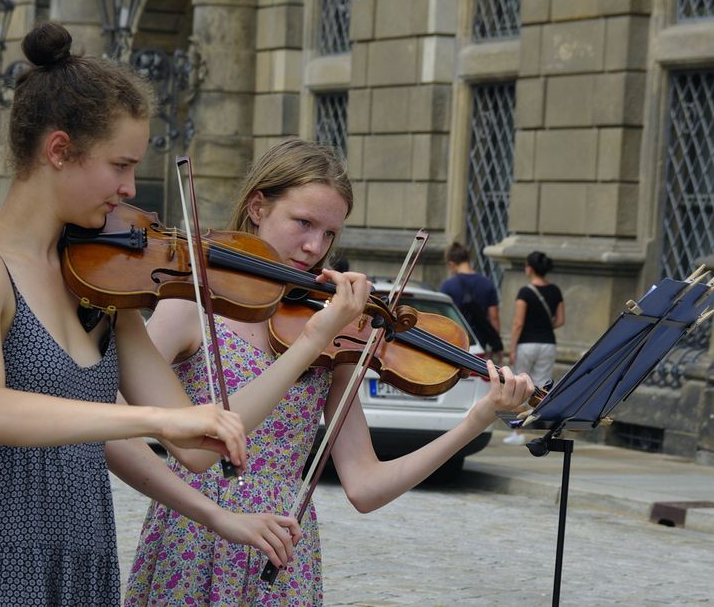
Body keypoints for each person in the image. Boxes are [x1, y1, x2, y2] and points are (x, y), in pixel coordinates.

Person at [0, 23, 371, 605]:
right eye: (120, 165)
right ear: (59, 151)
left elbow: (200, 443)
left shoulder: (101, 286)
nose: (129, 188)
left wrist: (216, 513)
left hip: (85, 560)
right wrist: (154, 420)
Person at [117, 139, 536, 605]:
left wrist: (477, 420)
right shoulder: (192, 304)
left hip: (281, 549)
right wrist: (183, 491)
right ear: (258, 206)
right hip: (194, 538)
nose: (314, 247)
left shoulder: (333, 332)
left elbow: (365, 487)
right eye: (303, 223)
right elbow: (115, 419)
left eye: (330, 234)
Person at [505, 251, 565, 445]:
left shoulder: (525, 292)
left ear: (529, 268)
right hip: (548, 344)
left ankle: (517, 433)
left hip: (526, 344)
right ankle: (552, 430)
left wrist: (512, 349)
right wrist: (544, 327)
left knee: (520, 386)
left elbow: (518, 323)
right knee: (542, 389)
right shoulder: (555, 290)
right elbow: (560, 320)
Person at [439, 241, 503, 356]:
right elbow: (494, 317)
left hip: (455, 342)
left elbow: (441, 318)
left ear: (451, 264)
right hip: (479, 343)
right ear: (468, 260)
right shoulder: (487, 283)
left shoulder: (447, 285)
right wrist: (496, 344)